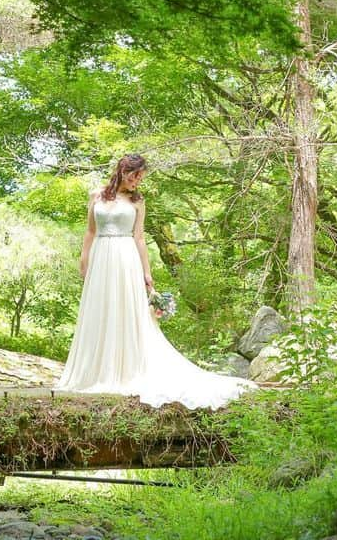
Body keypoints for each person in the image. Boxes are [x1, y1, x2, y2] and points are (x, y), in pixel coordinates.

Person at [54, 153, 260, 409]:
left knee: (127, 312)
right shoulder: (96, 195)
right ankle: (98, 370)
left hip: (126, 257)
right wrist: (83, 261)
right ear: (123, 170)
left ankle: (125, 369)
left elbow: (139, 237)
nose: (137, 181)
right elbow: (90, 231)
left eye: (141, 177)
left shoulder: (138, 201)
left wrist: (147, 274)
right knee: (101, 309)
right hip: (101, 258)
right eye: (135, 175)